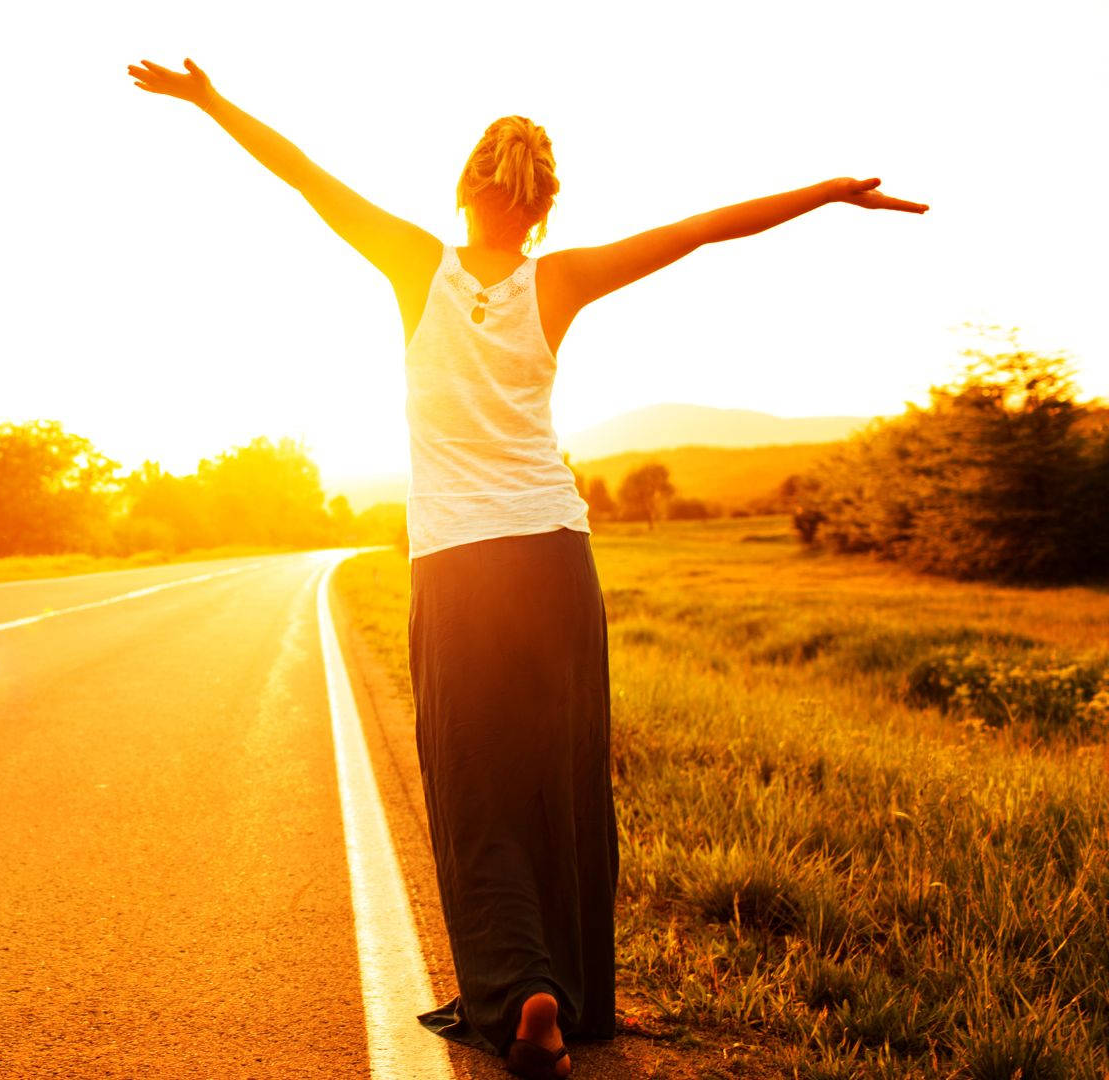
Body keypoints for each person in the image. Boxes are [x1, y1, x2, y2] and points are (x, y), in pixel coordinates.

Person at [126, 57, 926, 1079]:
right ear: (545, 206)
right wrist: (827, 192)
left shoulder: (416, 262)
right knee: (562, 780)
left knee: (476, 786)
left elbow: (303, 175)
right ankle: (573, 990)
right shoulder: (564, 275)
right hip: (556, 559)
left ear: (465, 189)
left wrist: (209, 101)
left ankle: (519, 992)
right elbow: (703, 228)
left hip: (459, 567)